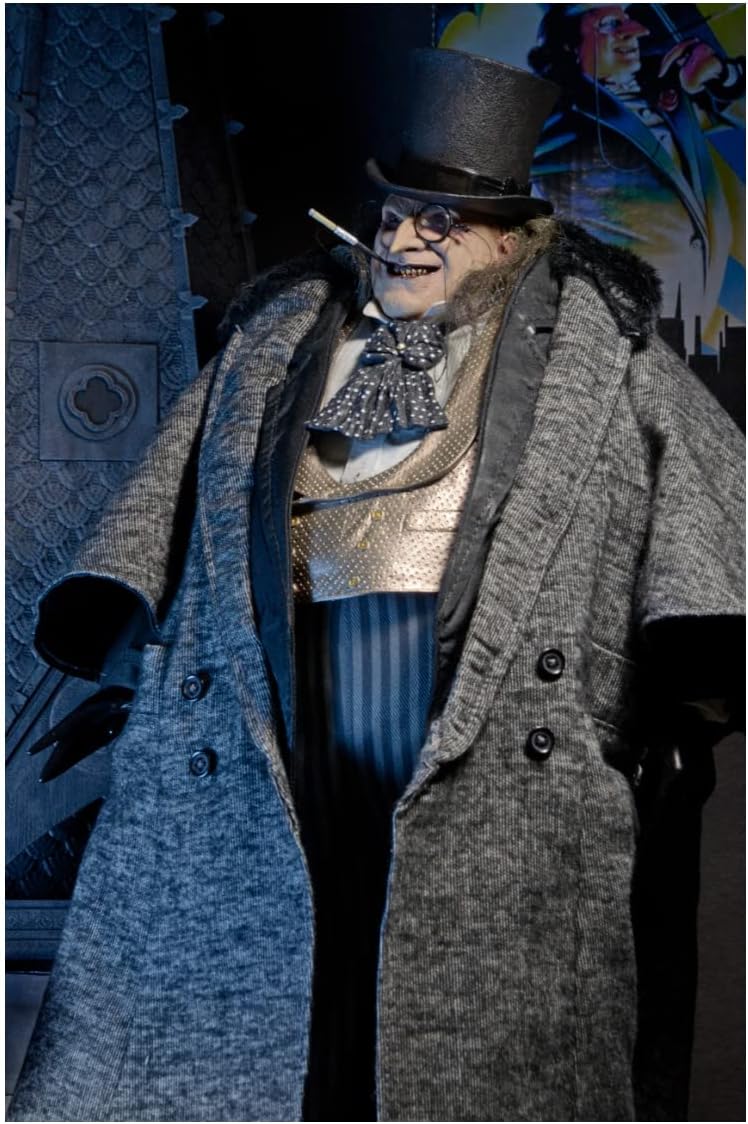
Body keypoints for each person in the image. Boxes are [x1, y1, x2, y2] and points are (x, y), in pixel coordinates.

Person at [9, 47, 744, 1123]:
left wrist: (685, 660)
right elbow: (169, 486)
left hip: (474, 726)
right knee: (290, 991)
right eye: (395, 215)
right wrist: (124, 628)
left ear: (510, 242)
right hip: (294, 702)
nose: (403, 240)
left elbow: (704, 498)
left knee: (436, 1006)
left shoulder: (599, 351)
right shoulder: (281, 343)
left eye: (441, 224)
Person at [528, 3, 745, 353]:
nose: (636, 32)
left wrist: (724, 76)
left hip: (695, 327)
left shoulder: (672, 95)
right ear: (568, 43)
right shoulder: (555, 126)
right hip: (621, 337)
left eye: (629, 20)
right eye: (610, 24)